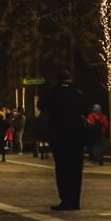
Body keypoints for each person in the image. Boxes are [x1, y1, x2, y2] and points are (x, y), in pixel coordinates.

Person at [37, 68, 87, 211]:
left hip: (59, 136)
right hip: (77, 137)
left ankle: (65, 199)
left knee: (62, 168)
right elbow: (86, 108)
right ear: (70, 79)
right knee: (76, 169)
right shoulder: (78, 93)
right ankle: (75, 200)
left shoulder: (53, 93)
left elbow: (41, 105)